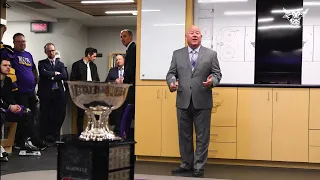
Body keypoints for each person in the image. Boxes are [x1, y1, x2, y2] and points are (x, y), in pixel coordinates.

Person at [166, 25, 222, 177]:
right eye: (192, 33)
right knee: (184, 135)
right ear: (186, 36)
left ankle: (199, 166)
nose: (195, 35)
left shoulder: (211, 54)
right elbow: (171, 73)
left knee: (202, 135)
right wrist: (171, 82)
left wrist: (213, 81)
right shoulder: (177, 54)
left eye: (197, 33)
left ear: (201, 37)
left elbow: (217, 74)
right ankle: (186, 164)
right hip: (183, 100)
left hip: (203, 100)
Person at [11, 33, 40, 148]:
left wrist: (35, 80)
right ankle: (21, 141)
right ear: (14, 43)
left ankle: (31, 139)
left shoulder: (28, 55)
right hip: (20, 91)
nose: (22, 43)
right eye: (20, 41)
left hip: (31, 91)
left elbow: (33, 69)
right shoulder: (11, 54)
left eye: (24, 41)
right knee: (24, 117)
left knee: (33, 115)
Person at [37, 43, 67, 143]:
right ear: (46, 52)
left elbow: (64, 75)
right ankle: (44, 137)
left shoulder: (60, 64)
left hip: (58, 93)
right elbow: (43, 73)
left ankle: (55, 136)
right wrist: (54, 73)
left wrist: (51, 76)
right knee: (45, 115)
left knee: (57, 115)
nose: (51, 52)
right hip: (46, 93)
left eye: (53, 50)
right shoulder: (42, 63)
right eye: (49, 51)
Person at [70, 47, 100, 135]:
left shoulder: (93, 66)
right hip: (81, 93)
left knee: (94, 113)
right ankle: (80, 133)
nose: (95, 58)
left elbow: (97, 79)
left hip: (92, 93)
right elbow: (73, 79)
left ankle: (93, 131)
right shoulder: (76, 65)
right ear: (88, 55)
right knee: (80, 114)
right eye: (94, 56)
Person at [105, 54, 125, 133]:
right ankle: (117, 131)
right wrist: (115, 82)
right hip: (115, 97)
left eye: (120, 59)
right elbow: (106, 82)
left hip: (126, 96)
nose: (118, 61)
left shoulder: (129, 70)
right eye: (116, 60)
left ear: (124, 60)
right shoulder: (112, 71)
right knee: (116, 115)